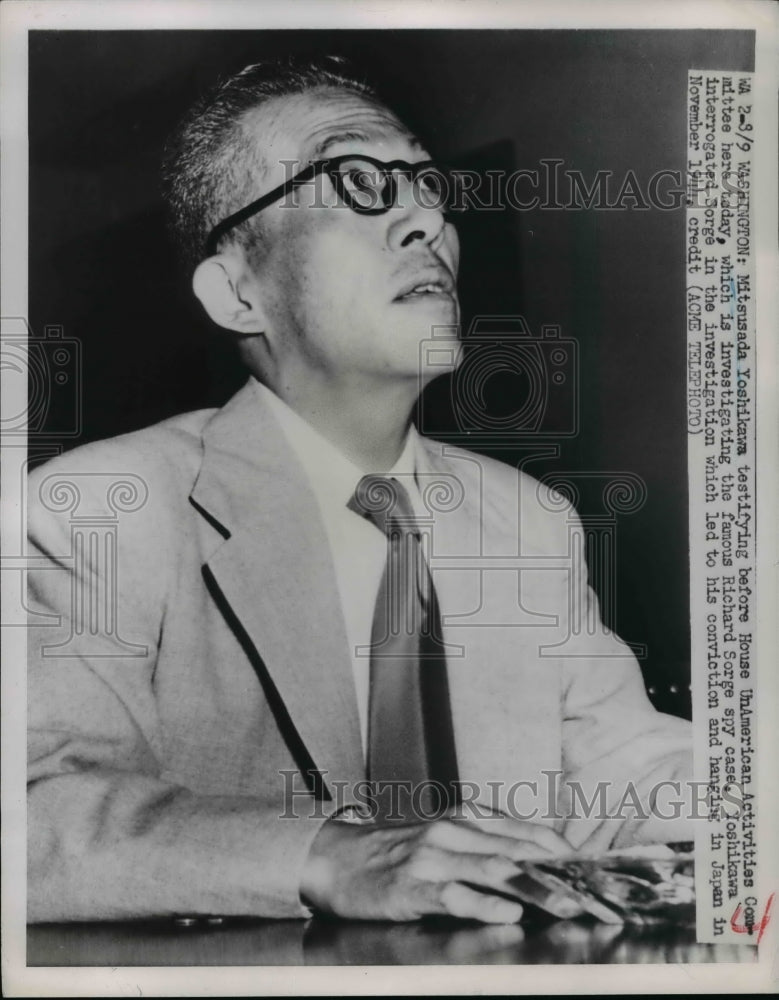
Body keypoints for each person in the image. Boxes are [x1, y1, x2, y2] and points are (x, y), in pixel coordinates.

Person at [27, 55, 692, 926]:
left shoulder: (528, 519)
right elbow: (32, 811)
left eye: (425, 182)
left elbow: (627, 774)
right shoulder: (99, 510)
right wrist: (329, 854)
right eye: (358, 181)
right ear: (237, 293)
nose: (426, 217)